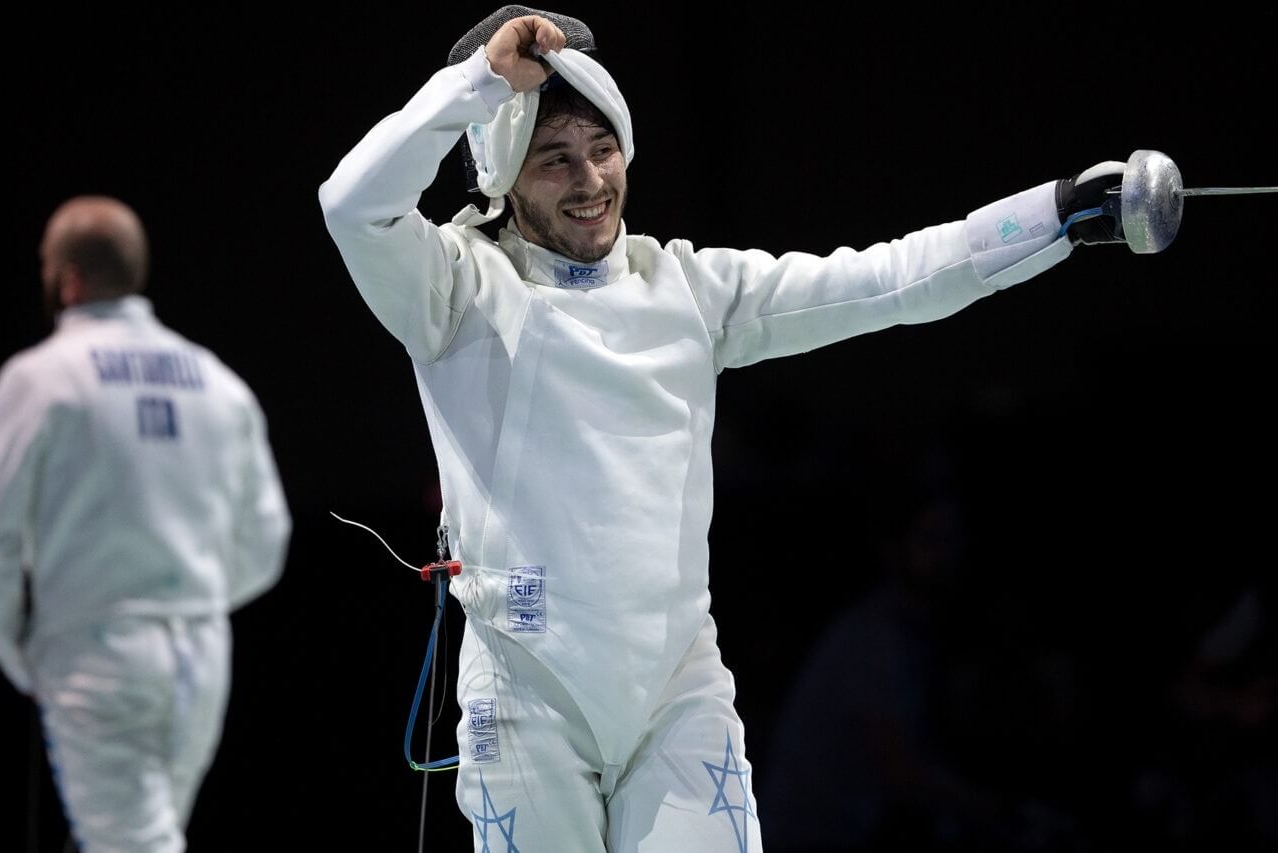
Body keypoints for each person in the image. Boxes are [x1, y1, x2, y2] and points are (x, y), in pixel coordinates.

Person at [319, 8, 1132, 851]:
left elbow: (892, 278)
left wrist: (1058, 214)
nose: (591, 180)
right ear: (503, 177)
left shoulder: (689, 290)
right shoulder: (454, 289)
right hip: (525, 703)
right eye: (554, 159)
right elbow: (351, 204)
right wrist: (482, 82)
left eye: (602, 150)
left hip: (674, 695)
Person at [0, 196, 291, 852]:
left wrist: (19, 653)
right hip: (201, 650)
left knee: (134, 845)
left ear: (66, 277)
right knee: (146, 837)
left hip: (96, 650)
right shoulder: (218, 382)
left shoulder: (40, 379)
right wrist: (188, 601)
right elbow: (265, 540)